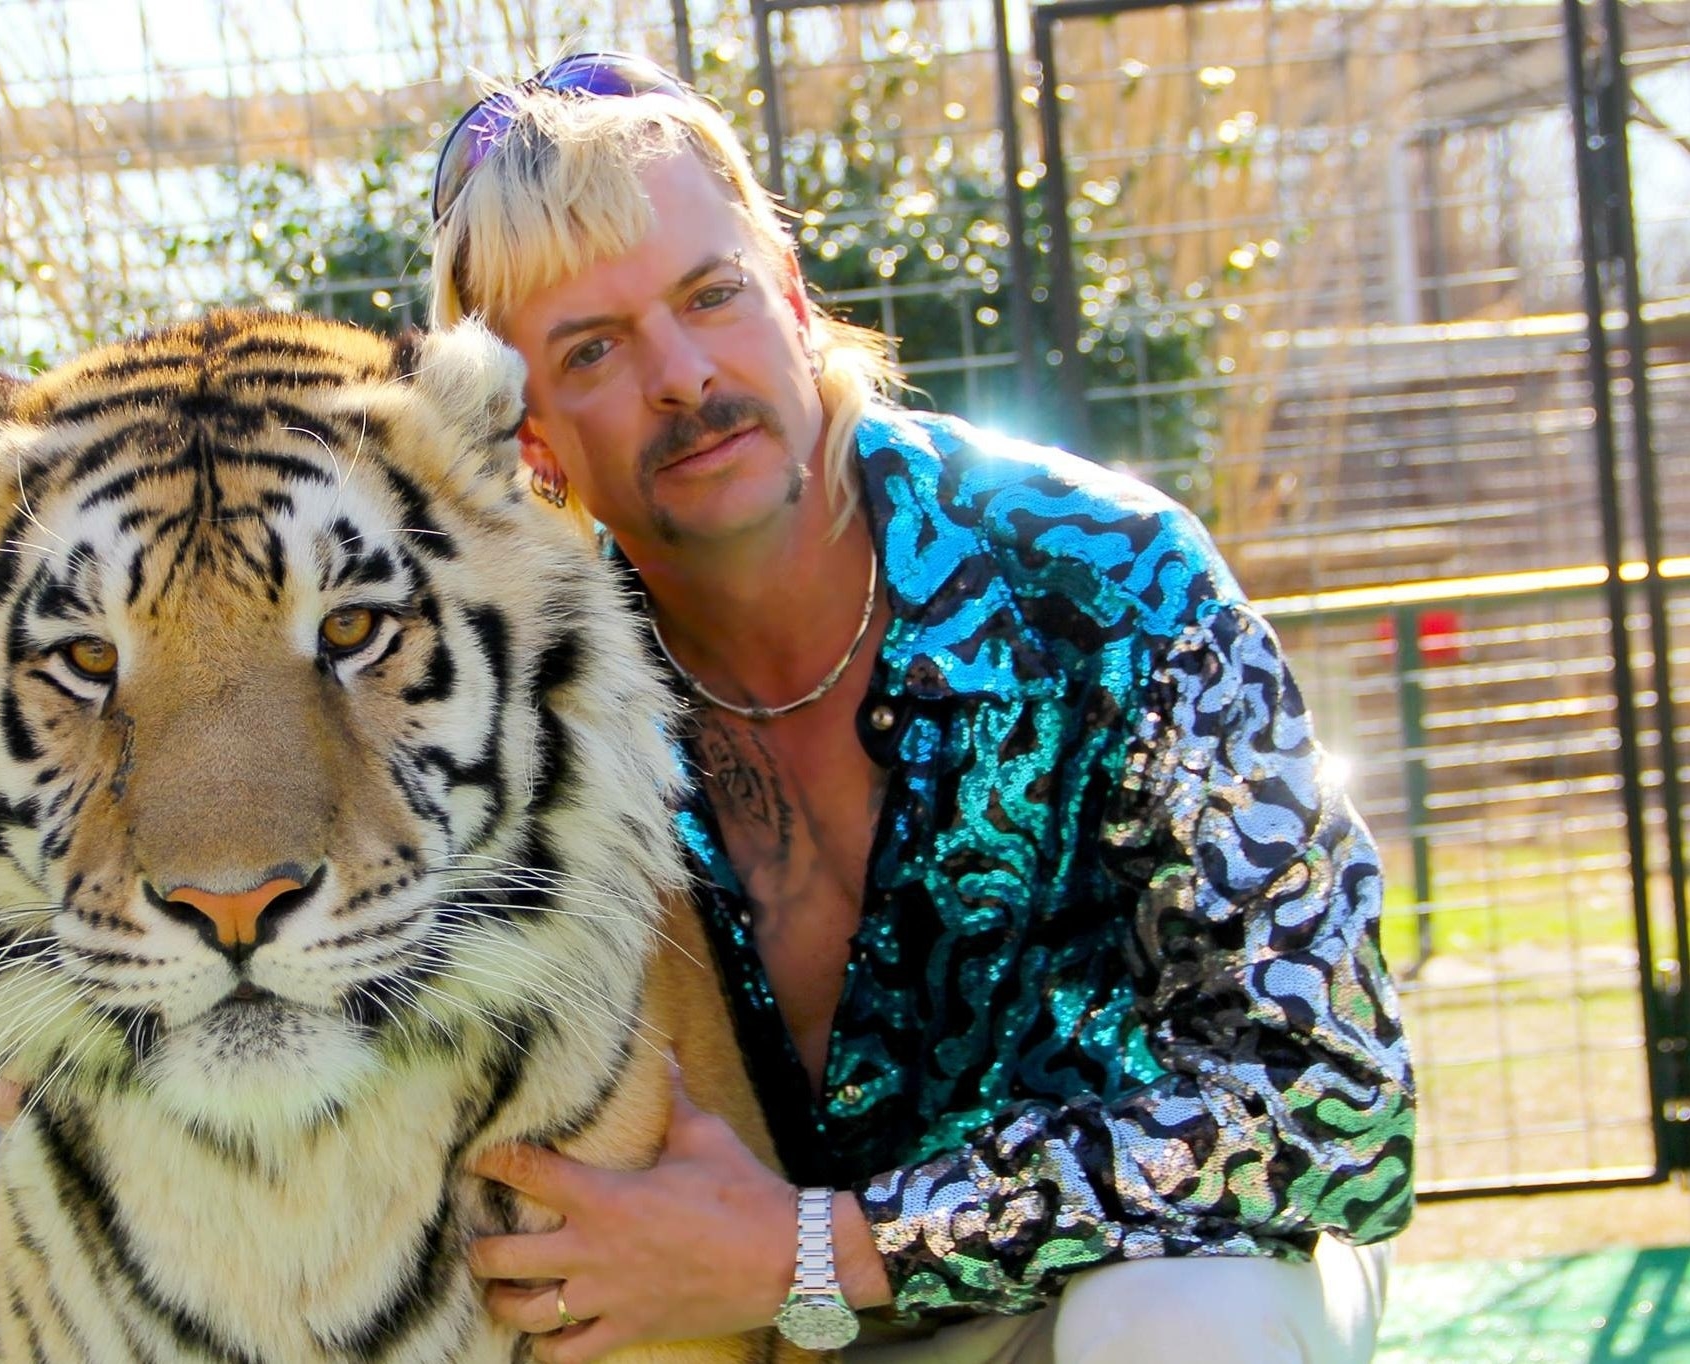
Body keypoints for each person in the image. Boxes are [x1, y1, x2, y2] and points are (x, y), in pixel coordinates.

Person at [426, 52, 1416, 1364]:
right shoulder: (532, 726)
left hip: (1114, 1283)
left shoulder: (1107, 575)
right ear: (533, 439)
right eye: (594, 349)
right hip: (750, 1330)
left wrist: (824, 1251)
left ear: (788, 299)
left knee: (1186, 1325)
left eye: (710, 296)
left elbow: (1332, 1109)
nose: (678, 373)